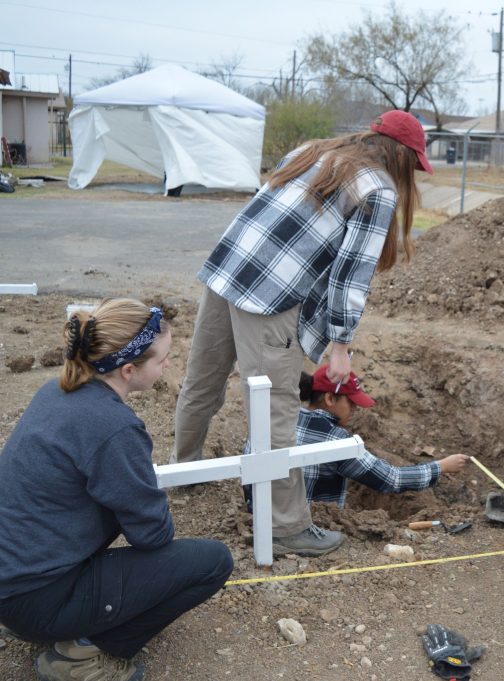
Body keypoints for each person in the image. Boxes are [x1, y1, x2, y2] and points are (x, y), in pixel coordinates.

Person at [171, 110, 431, 557]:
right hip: (268, 295)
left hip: (229, 268)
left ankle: (184, 474)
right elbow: (351, 276)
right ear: (404, 157)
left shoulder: (313, 151)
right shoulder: (378, 189)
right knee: (275, 408)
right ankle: (288, 527)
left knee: (202, 382)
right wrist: (340, 345)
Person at [0, 299, 234, 681]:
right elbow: (152, 535)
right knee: (212, 561)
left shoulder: (56, 391)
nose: (169, 364)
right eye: (163, 359)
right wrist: (135, 486)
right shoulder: (114, 428)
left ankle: (54, 619)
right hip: (32, 597)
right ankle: (82, 655)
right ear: (128, 369)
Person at [298, 365, 468, 507]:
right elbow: (391, 479)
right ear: (329, 398)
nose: (355, 410)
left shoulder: (285, 420)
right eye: (351, 403)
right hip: (316, 529)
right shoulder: (336, 440)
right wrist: (442, 466)